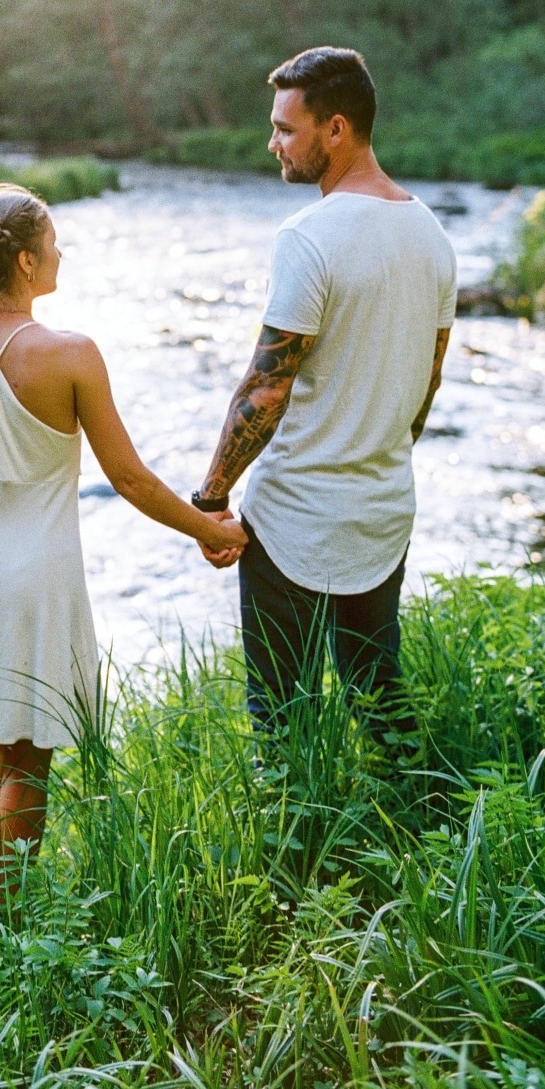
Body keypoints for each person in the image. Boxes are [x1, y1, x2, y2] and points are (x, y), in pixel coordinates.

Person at [0, 183, 247, 911]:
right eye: (53, 245)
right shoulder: (72, 354)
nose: (61, 255)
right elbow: (128, 476)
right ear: (25, 262)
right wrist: (211, 528)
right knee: (29, 750)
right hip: (43, 573)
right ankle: (16, 912)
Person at [192, 47, 456, 743]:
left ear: (334, 129)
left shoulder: (308, 237)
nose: (272, 142)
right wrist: (377, 450)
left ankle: (293, 852)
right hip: (383, 511)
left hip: (293, 522)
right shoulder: (432, 234)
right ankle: (417, 824)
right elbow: (426, 383)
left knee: (282, 718)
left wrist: (212, 497)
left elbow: (266, 384)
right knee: (379, 696)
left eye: (285, 127)